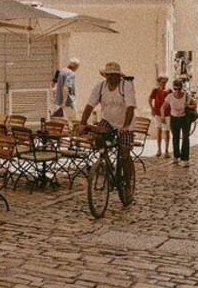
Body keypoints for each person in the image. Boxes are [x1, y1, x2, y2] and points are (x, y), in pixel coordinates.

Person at [78, 62, 136, 194]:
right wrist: (82, 123)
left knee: (125, 154)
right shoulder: (100, 87)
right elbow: (89, 105)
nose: (109, 77)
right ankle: (105, 160)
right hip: (108, 121)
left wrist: (126, 126)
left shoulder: (125, 87)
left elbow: (130, 107)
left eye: (112, 75)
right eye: (107, 74)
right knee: (97, 134)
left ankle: (127, 185)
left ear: (118, 76)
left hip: (125, 123)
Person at [162, 78, 196, 166]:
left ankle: (185, 159)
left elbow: (195, 105)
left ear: (181, 88)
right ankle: (176, 157)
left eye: (179, 89)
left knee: (185, 138)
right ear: (173, 88)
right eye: (175, 89)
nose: (177, 91)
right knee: (175, 138)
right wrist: (162, 116)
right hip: (174, 118)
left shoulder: (186, 95)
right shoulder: (170, 96)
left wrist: (188, 105)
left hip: (184, 118)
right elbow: (163, 107)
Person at [148, 76, 171, 158]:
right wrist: (152, 109)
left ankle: (167, 150)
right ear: (159, 82)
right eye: (162, 82)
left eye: (165, 82)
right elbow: (150, 100)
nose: (163, 83)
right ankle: (159, 149)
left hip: (167, 113)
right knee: (159, 130)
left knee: (167, 131)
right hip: (157, 113)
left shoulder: (169, 91)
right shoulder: (155, 90)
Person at [55, 58, 80, 128]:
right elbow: (66, 87)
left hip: (61, 101)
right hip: (68, 101)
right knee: (74, 121)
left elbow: (56, 85)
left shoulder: (62, 72)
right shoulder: (71, 74)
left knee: (67, 121)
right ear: (75, 66)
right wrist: (64, 101)